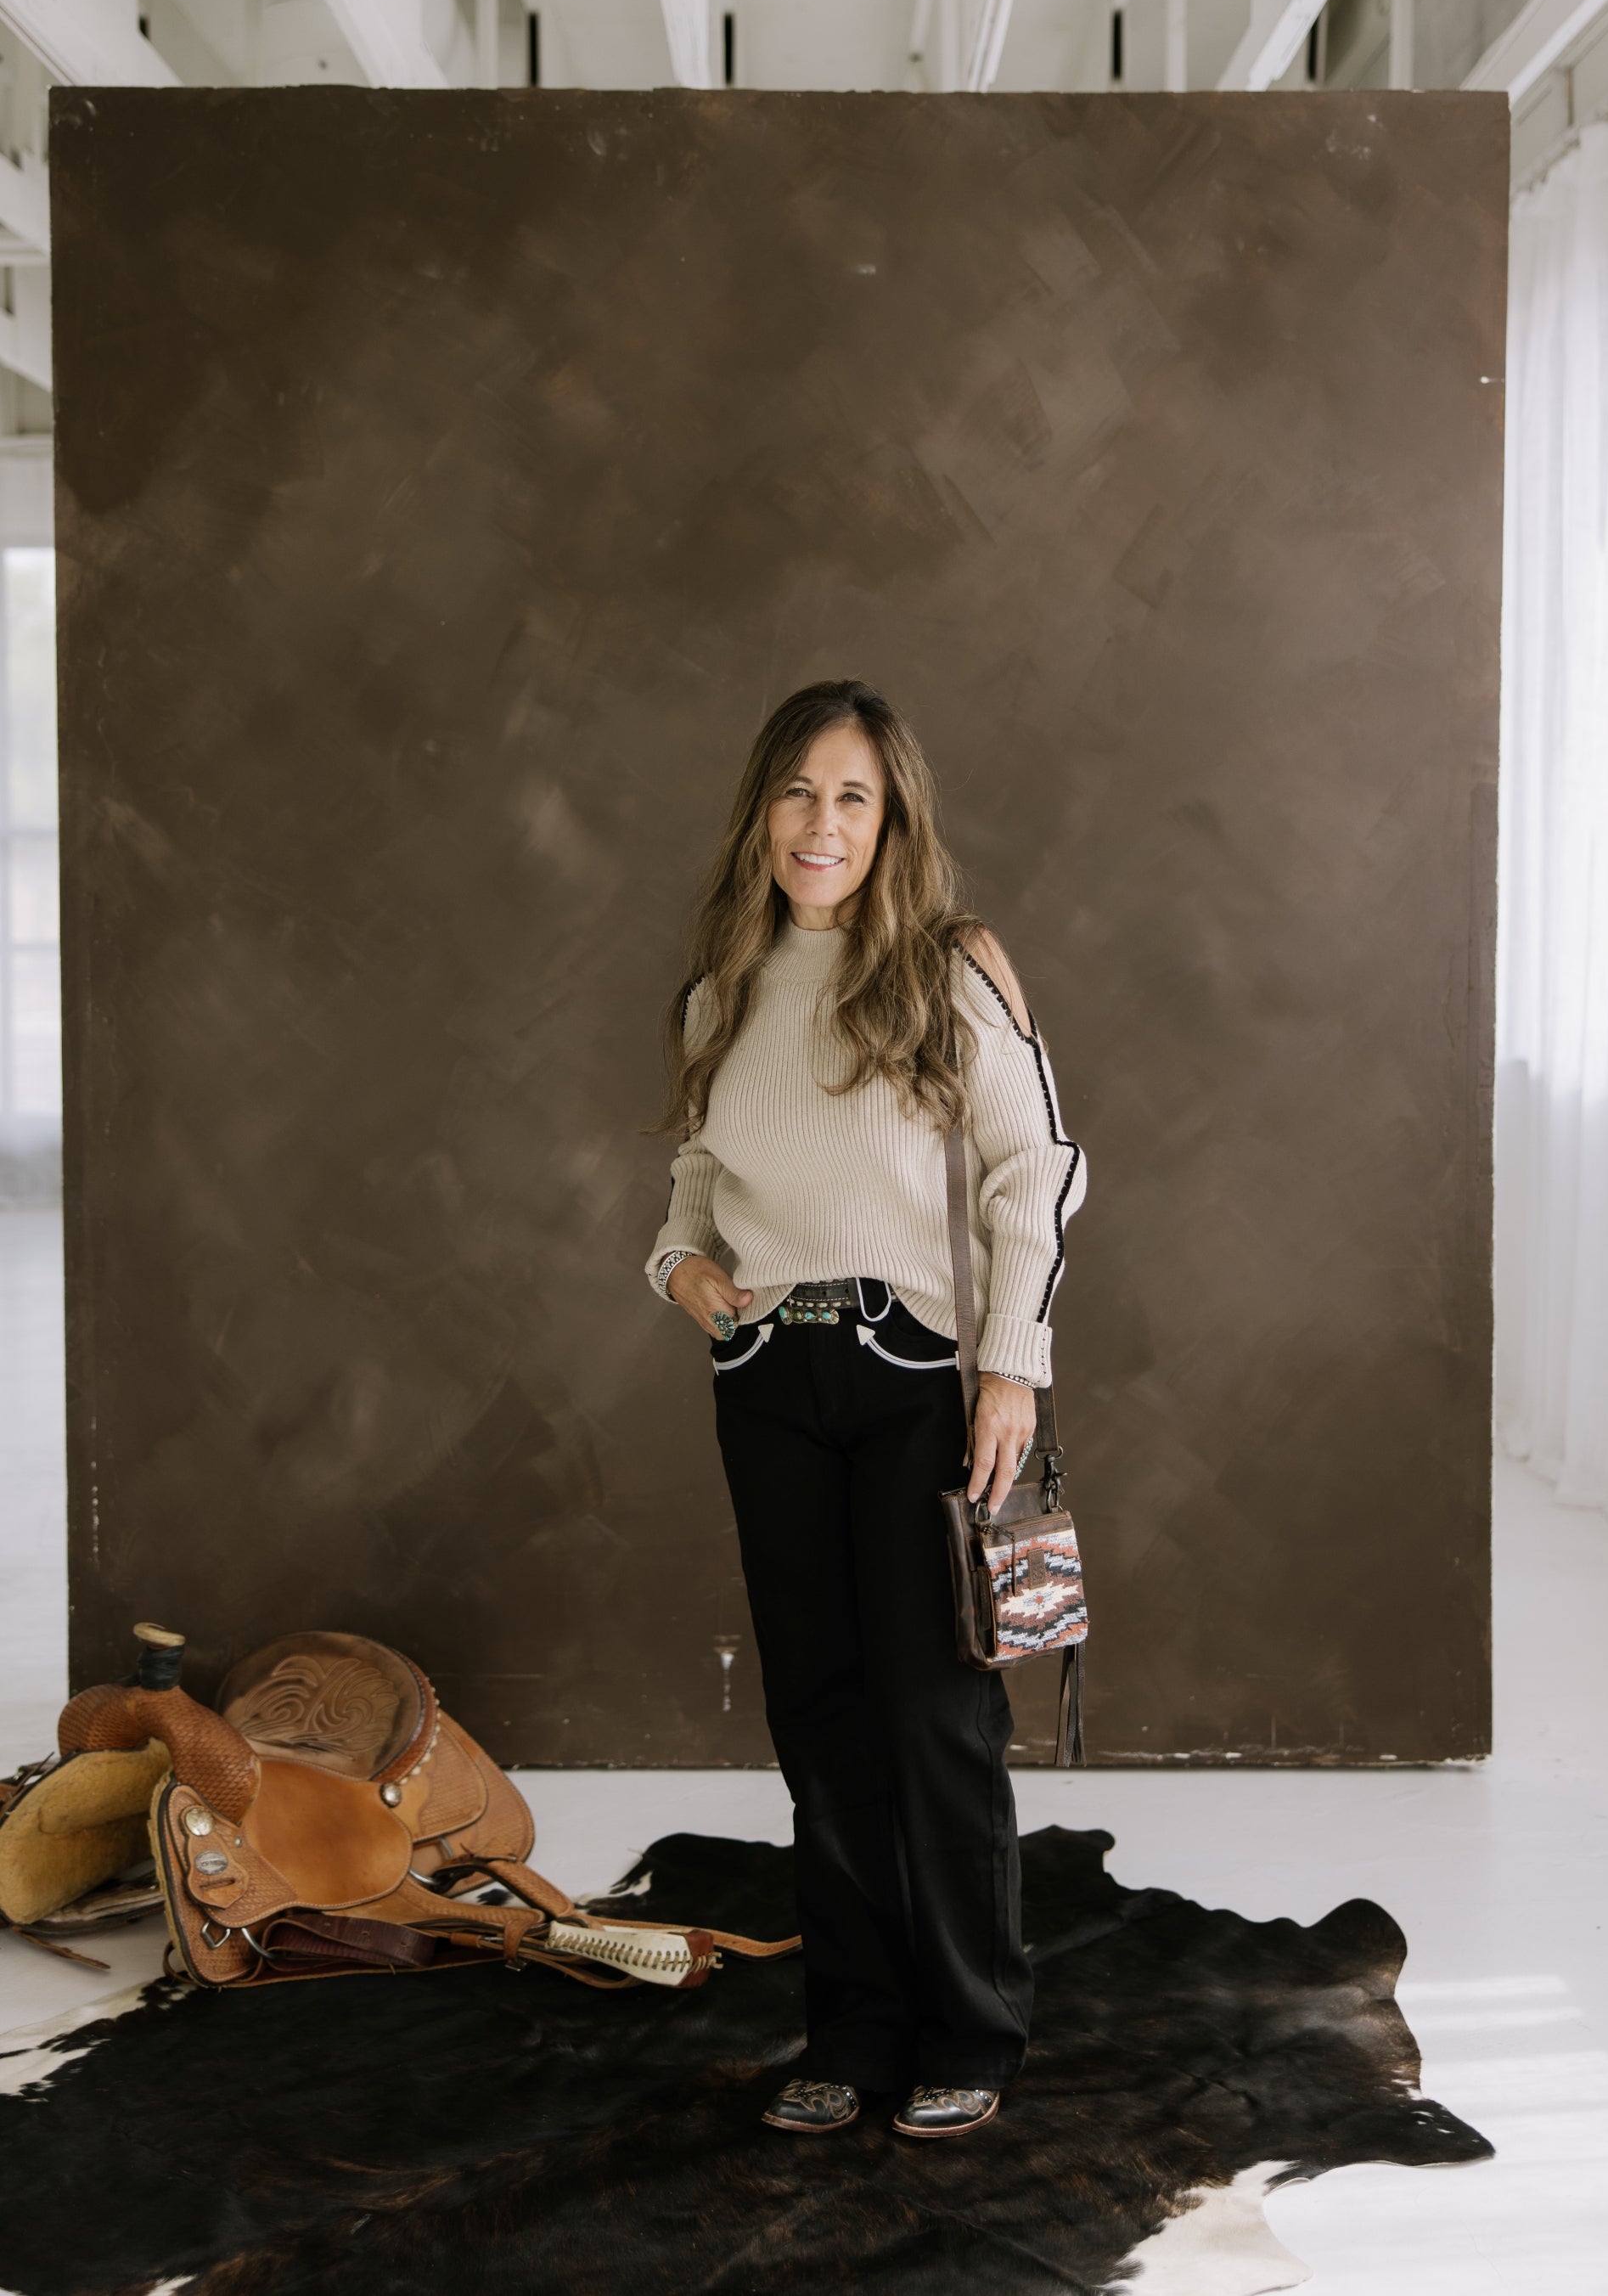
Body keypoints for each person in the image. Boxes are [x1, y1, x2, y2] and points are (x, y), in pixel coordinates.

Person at [644, 678, 1086, 2141]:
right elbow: (694, 1194)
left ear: (890, 820)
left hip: (913, 1382)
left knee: (933, 1721)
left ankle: (972, 2028)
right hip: (764, 1384)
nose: (820, 824)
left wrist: (1011, 1361)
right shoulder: (724, 986)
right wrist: (686, 1274)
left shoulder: (950, 969)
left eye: (852, 797)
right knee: (818, 1723)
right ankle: (855, 2025)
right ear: (759, 810)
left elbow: (1039, 1170)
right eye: (796, 793)